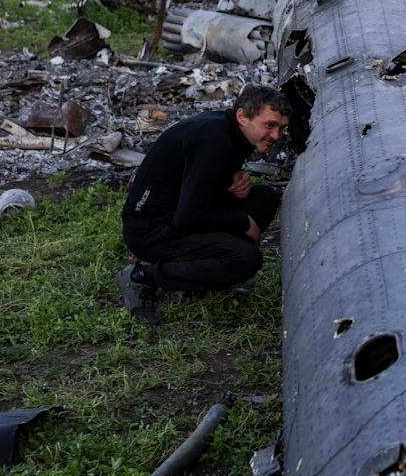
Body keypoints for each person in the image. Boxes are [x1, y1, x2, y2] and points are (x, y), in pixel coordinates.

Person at [117, 84, 292, 325]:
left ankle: (200, 279)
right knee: (245, 259)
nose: (276, 136)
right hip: (151, 230)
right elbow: (188, 218)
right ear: (242, 116)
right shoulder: (214, 139)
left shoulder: (228, 130)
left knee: (264, 199)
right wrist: (242, 222)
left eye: (281, 128)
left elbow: (195, 179)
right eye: (269, 125)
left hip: (178, 212)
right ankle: (142, 277)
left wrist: (232, 176)